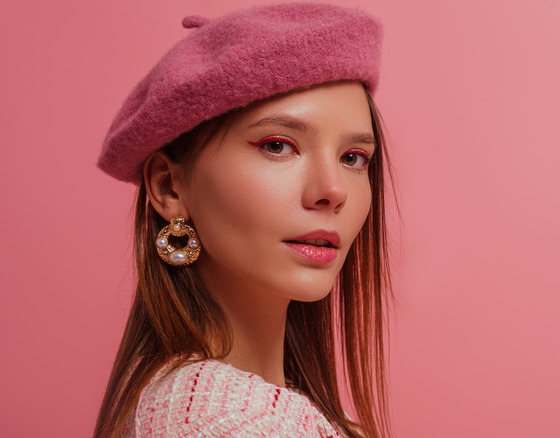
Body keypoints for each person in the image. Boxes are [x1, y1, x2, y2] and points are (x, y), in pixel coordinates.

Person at [93, 4, 393, 437]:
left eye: (353, 158)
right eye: (277, 146)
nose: (333, 190)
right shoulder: (231, 422)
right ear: (169, 188)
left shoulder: (222, 408)